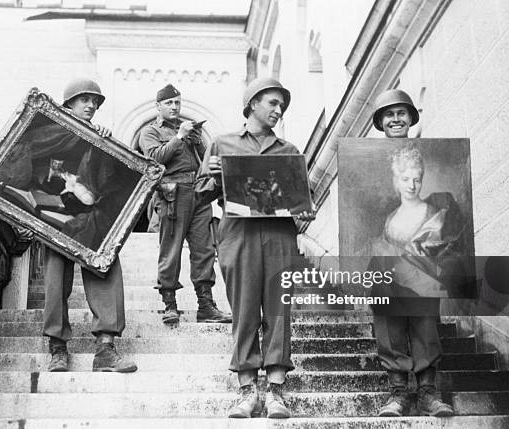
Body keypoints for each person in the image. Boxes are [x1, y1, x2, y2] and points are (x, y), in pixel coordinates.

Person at [196, 77, 315, 419]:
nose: (278, 110)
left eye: (281, 106)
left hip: (279, 236)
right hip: (238, 235)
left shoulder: (289, 151)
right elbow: (201, 197)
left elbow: (302, 201)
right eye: (272, 103)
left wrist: (305, 209)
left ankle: (276, 391)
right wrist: (212, 174)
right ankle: (247, 391)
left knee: (278, 311)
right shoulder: (222, 144)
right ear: (252, 104)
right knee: (245, 311)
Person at [23, 78, 137, 373]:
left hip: (90, 217)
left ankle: (106, 348)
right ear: (69, 103)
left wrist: (104, 145)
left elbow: (110, 183)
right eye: (85, 99)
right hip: (54, 217)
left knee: (104, 264)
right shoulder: (47, 136)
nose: (91, 106)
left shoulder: (97, 139)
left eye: (95, 102)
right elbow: (25, 174)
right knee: (55, 279)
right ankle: (57, 348)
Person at [369, 89, 454, 417]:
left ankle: (430, 393)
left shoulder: (426, 155)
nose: (395, 120)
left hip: (421, 265)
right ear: (379, 121)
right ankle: (399, 393)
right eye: (388, 115)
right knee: (389, 324)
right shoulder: (368, 161)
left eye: (401, 113)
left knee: (424, 322)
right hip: (386, 261)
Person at [138, 84, 231, 325]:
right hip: (172, 194)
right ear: (157, 106)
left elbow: (205, 162)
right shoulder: (150, 132)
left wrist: (199, 142)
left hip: (199, 193)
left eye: (177, 102)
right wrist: (179, 137)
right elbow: (154, 160)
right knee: (171, 249)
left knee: (204, 250)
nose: (174, 107)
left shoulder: (188, 132)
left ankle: (206, 305)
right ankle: (169, 304)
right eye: (169, 103)